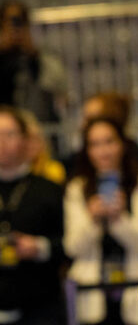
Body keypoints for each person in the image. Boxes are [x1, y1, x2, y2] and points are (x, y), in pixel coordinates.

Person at [64, 118, 138, 325]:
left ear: (123, 144)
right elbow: (72, 248)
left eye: (109, 141)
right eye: (94, 144)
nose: (103, 151)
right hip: (93, 296)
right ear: (86, 150)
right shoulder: (78, 188)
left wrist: (119, 221)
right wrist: (93, 221)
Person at [0, 105, 64, 324]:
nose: (2, 142)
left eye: (9, 134)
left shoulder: (50, 190)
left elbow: (72, 245)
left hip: (40, 307)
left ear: (26, 140)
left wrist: (39, 248)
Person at [0, 0, 66, 123]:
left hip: (39, 122)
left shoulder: (42, 56)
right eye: (9, 21)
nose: (15, 28)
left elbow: (59, 88)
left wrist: (33, 54)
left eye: (20, 22)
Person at [20, 109, 66, 185]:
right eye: (27, 140)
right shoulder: (14, 172)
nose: (31, 145)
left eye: (35, 139)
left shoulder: (53, 170)